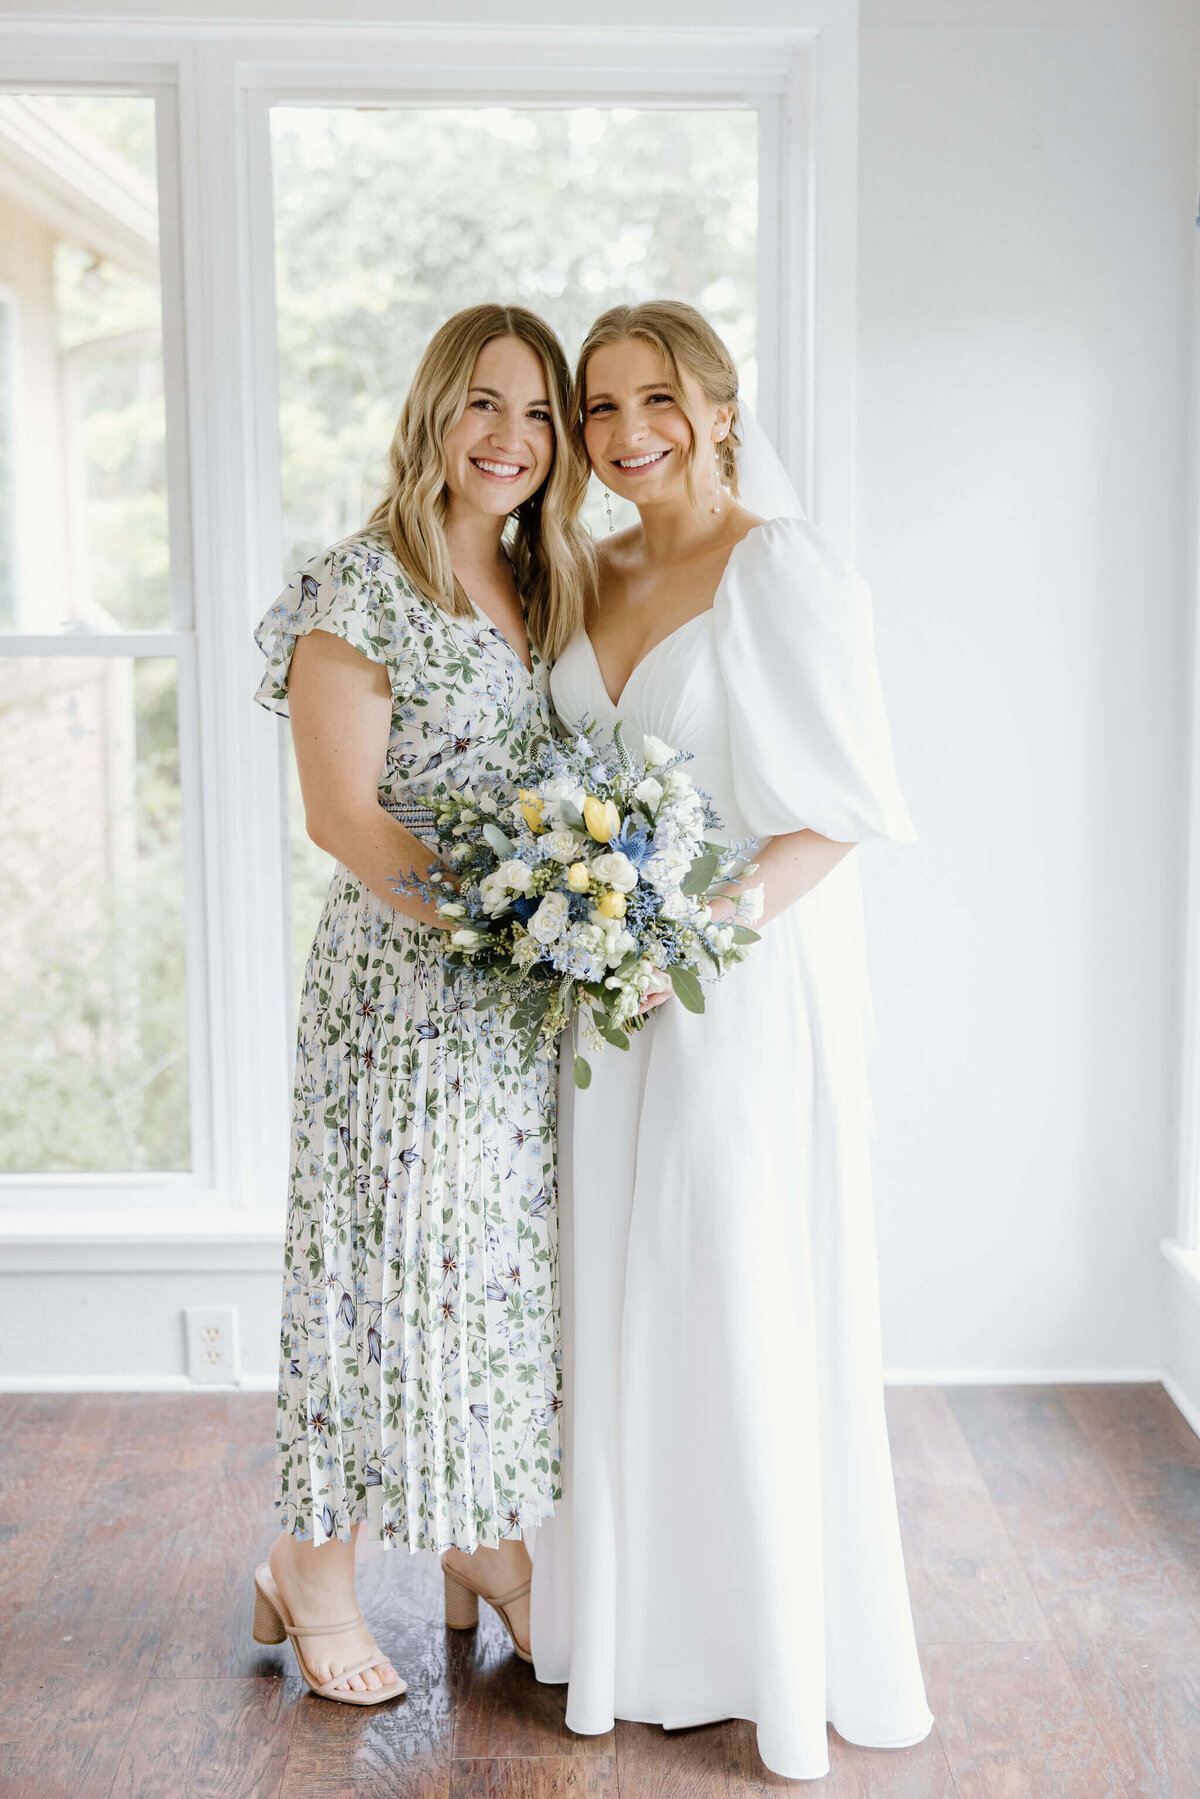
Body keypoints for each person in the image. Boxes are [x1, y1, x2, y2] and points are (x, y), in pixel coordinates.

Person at [528, 300, 934, 1780]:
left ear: (717, 401)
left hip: (734, 992)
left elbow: (840, 811)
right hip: (601, 1000)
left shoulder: (782, 566)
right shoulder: (586, 566)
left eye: (658, 401)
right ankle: (634, 1636)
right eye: (599, 411)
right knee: (616, 1292)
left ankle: (760, 1647)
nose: (628, 434)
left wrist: (690, 938)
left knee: (731, 1282)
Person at [249, 303, 593, 1703]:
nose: (510, 440)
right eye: (484, 405)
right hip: (397, 994)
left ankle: (475, 1539)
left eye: (540, 416)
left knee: (491, 1285)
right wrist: (496, 921)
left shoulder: (547, 583)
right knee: (368, 1275)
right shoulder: (361, 585)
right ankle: (310, 1570)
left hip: (511, 1013)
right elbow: (343, 816)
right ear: (434, 412)